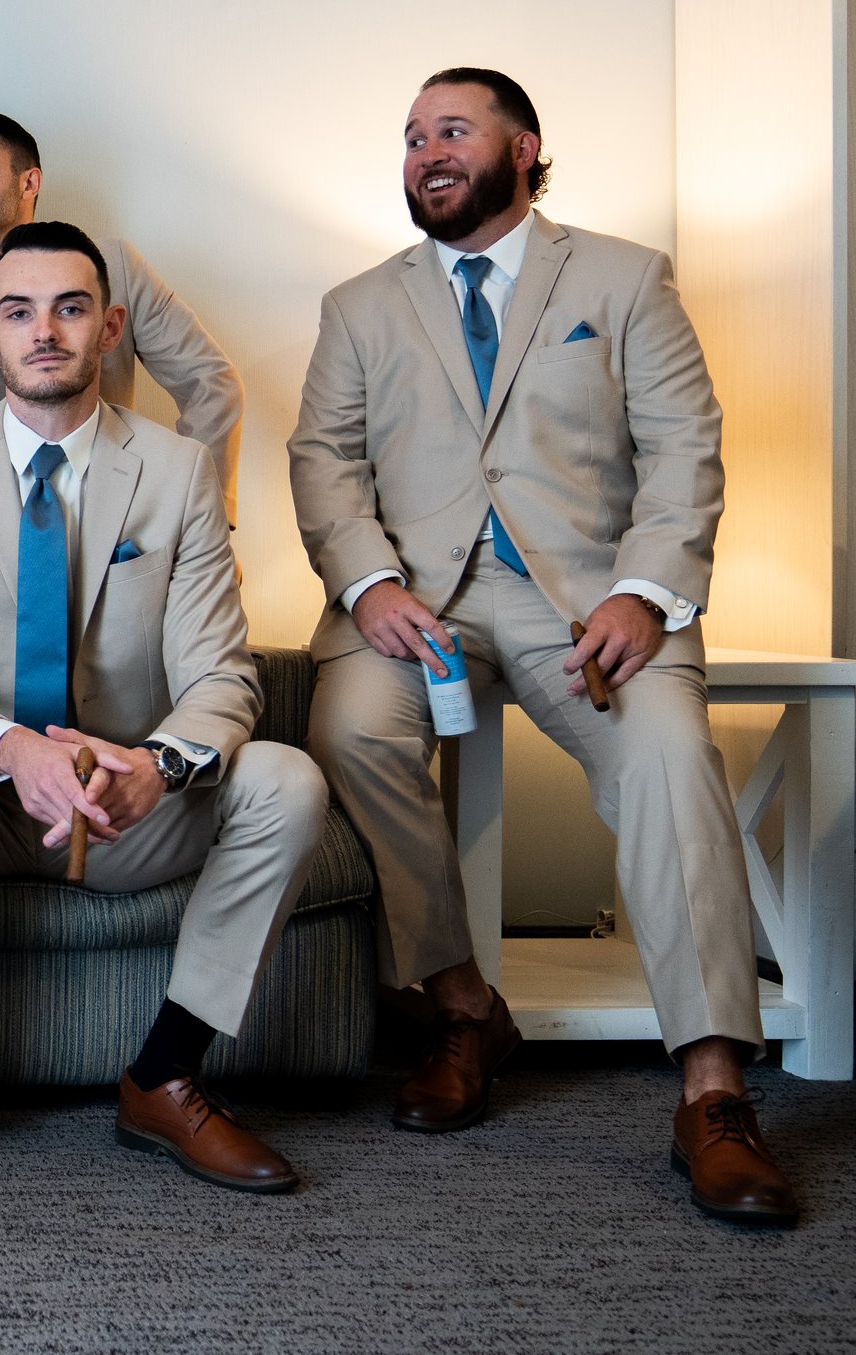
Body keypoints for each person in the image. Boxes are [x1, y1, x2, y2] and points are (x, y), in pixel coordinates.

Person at [291, 67, 798, 1226]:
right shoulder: (359, 303)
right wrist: (366, 583)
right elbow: (322, 459)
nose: (424, 149)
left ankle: (712, 1089)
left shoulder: (623, 276)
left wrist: (645, 590)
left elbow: (683, 446)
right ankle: (464, 1005)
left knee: (671, 755)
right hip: (415, 601)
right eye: (411, 135)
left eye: (451, 129)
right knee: (350, 726)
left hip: (586, 597)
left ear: (523, 147)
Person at [0, 222, 325, 1198]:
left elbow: (222, 678)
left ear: (108, 327)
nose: (43, 330)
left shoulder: (179, 471)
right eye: (18, 310)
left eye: (67, 308)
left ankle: (164, 1074)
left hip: (123, 807)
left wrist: (160, 764)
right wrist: (12, 747)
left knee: (288, 778)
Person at [0, 109, 244, 519]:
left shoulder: (116, 269)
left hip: (123, 524)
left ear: (30, 182)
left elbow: (211, 384)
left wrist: (198, 518)